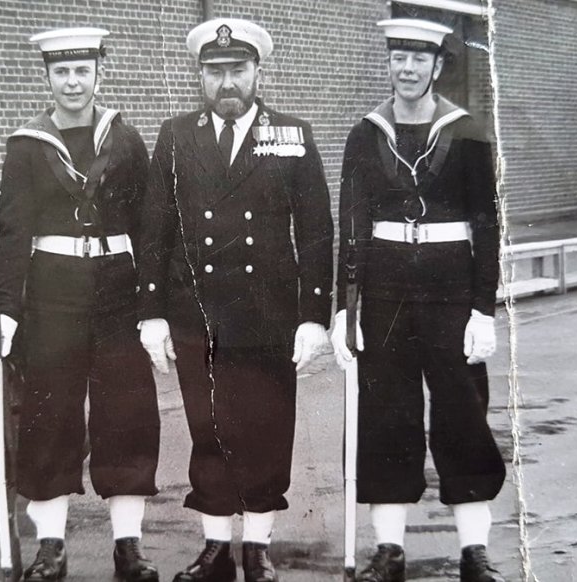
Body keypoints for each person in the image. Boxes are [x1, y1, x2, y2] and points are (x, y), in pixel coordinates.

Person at [136, 18, 333, 582]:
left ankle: (259, 549)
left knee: (268, 428)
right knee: (209, 428)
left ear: (257, 73)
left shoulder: (292, 134)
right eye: (215, 72)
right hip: (197, 313)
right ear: (201, 76)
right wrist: (151, 312)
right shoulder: (176, 136)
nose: (227, 83)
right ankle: (217, 549)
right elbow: (156, 226)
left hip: (269, 311)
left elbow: (317, 229)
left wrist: (314, 316)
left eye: (237, 71)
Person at [330, 18, 507, 582]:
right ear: (389, 63)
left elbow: (487, 224)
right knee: (387, 416)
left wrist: (484, 307)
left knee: (461, 415)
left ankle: (473, 553)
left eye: (418, 59)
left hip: (451, 291)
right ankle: (389, 552)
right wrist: (344, 309)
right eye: (397, 58)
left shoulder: (468, 132)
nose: (406, 69)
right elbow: (351, 226)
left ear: (437, 66)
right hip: (384, 296)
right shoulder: (366, 133)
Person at [0, 27, 160, 582]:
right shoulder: (26, 145)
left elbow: (150, 227)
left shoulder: (125, 140)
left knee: (126, 417)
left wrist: (152, 303)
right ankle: (51, 548)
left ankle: (128, 547)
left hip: (117, 291)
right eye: (61, 72)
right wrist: (7, 311)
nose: (72, 82)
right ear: (47, 78)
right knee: (49, 418)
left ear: (97, 74)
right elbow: (12, 233)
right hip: (53, 291)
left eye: (82, 70)